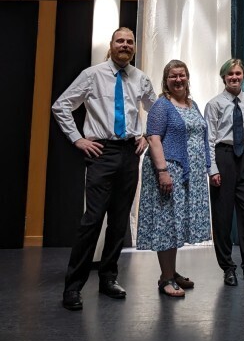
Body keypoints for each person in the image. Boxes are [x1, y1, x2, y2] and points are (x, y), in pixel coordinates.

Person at [52, 27, 157, 311]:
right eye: (120, 41)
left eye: (130, 42)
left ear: (134, 48)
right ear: (111, 45)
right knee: (92, 220)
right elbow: (61, 106)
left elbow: (157, 110)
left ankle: (109, 278)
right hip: (102, 153)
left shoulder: (140, 78)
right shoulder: (92, 75)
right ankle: (73, 287)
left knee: (119, 221)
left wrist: (146, 136)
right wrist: (78, 139)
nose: (125, 45)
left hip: (128, 153)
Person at [137, 59, 211, 297]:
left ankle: (170, 271)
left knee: (175, 223)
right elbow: (154, 138)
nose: (178, 80)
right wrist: (162, 172)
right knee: (167, 223)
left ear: (188, 77)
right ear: (166, 80)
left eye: (182, 75)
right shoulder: (162, 105)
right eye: (173, 76)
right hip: (169, 171)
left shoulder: (192, 104)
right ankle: (166, 278)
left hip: (187, 174)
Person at [204, 58, 244, 287]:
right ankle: (228, 268)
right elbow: (209, 139)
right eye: (230, 74)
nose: (234, 78)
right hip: (224, 156)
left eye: (238, 74)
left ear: (243, 75)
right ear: (223, 77)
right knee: (222, 216)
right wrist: (213, 169)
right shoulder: (214, 104)